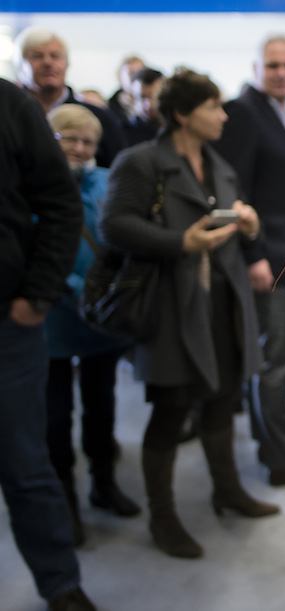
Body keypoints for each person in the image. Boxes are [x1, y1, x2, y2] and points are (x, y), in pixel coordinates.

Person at [102, 68, 279, 560]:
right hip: (171, 307)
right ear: (182, 113)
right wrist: (179, 241)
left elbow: (231, 223)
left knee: (222, 397)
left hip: (222, 302)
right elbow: (114, 224)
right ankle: (163, 517)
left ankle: (227, 491)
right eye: (213, 107)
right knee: (172, 406)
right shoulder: (141, 163)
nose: (223, 116)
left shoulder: (218, 165)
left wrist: (249, 226)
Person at [0, 77, 97, 611]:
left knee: (25, 462)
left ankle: (60, 582)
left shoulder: (10, 105)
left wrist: (35, 295)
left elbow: (61, 203)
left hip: (8, 322)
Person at [213, 34, 285, 487]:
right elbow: (233, 191)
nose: (282, 74)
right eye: (274, 65)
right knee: (273, 364)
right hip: (269, 260)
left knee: (283, 360)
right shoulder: (243, 112)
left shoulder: (281, 113)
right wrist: (253, 254)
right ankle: (277, 458)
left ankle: (283, 445)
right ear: (256, 67)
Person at [45, 104, 140, 548]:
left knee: (101, 407)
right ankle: (63, 503)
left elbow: (119, 238)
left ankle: (103, 484)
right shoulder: (35, 185)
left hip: (102, 319)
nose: (80, 148)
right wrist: (74, 286)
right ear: (52, 139)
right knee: (54, 415)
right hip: (52, 322)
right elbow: (32, 245)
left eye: (87, 141)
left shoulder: (105, 182)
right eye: (71, 139)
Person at [13, 26, 127, 169]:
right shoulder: (8, 116)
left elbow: (119, 170)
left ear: (66, 64)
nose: (47, 63)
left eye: (55, 56)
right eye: (37, 56)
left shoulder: (99, 117)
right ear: (20, 66)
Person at [122, 67, 165, 146]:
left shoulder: (179, 133)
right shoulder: (122, 134)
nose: (148, 105)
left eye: (154, 98)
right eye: (141, 98)